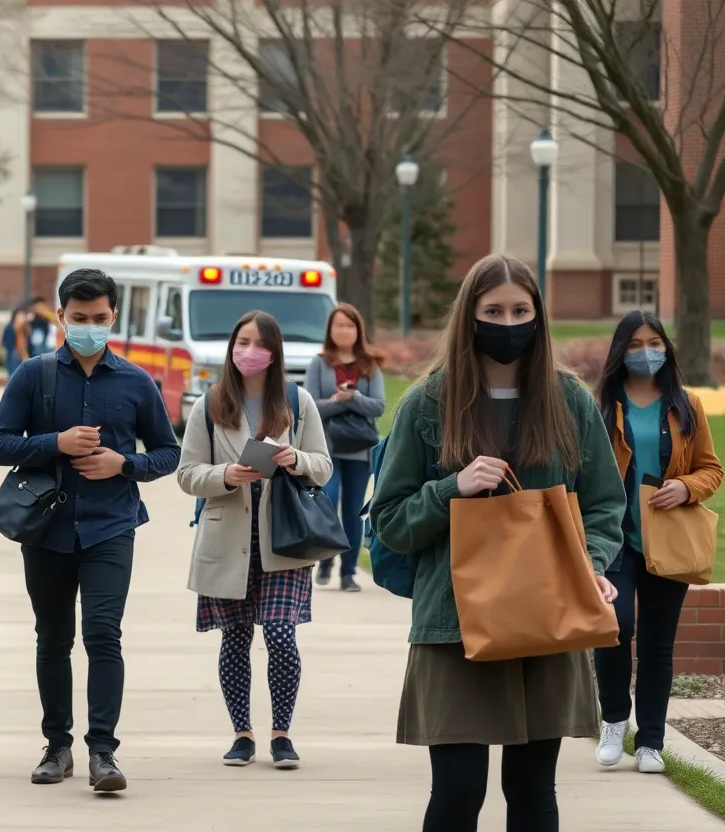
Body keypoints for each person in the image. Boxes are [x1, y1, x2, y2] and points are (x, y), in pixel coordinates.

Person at [368, 254, 625, 832]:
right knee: (458, 792)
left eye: (519, 310)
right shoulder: (427, 404)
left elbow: (607, 503)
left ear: (538, 316)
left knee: (533, 790)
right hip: (455, 625)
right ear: (470, 316)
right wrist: (450, 488)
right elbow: (389, 520)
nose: (507, 322)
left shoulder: (570, 401)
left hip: (548, 618)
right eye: (493, 311)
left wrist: (593, 562)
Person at [0, 268, 181, 793]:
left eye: (98, 319)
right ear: (61, 317)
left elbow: (168, 453)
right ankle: (57, 746)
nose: (89, 327)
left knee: (102, 635)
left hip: (111, 527)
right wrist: (56, 442)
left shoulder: (137, 381)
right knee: (52, 637)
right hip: (46, 528)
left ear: (113, 317)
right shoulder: (33, 373)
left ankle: (103, 753)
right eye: (78, 318)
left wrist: (125, 464)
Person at [177, 311, 333, 769]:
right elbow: (187, 474)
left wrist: (295, 458)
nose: (249, 351)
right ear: (231, 348)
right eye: (241, 341)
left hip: (284, 538)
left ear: (274, 352)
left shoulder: (297, 401)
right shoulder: (208, 404)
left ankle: (281, 733)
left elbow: (323, 465)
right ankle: (241, 733)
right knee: (236, 638)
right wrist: (226, 474)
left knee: (282, 636)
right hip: (228, 539)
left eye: (259, 344)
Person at [592, 310, 722, 774]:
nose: (644, 351)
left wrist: (687, 487)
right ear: (619, 351)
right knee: (613, 627)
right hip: (615, 540)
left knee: (657, 645)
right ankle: (613, 721)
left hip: (668, 540)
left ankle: (650, 743)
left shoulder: (685, 405)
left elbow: (712, 468)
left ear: (665, 347)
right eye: (633, 344)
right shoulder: (601, 405)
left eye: (653, 342)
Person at [304, 302, 385, 592]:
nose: (344, 330)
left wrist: (353, 398)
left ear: (358, 330)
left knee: (353, 511)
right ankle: (326, 556)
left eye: (349, 325)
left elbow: (377, 407)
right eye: (338, 325)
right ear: (330, 329)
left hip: (360, 450)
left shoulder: (370, 364)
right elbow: (310, 404)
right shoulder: (319, 362)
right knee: (327, 500)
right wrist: (337, 402)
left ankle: (349, 572)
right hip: (326, 448)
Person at [2, 306, 32, 378]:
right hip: (14, 354)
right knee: (13, 376)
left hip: (24, 354)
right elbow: (7, 343)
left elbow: (29, 341)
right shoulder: (10, 327)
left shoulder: (27, 327)